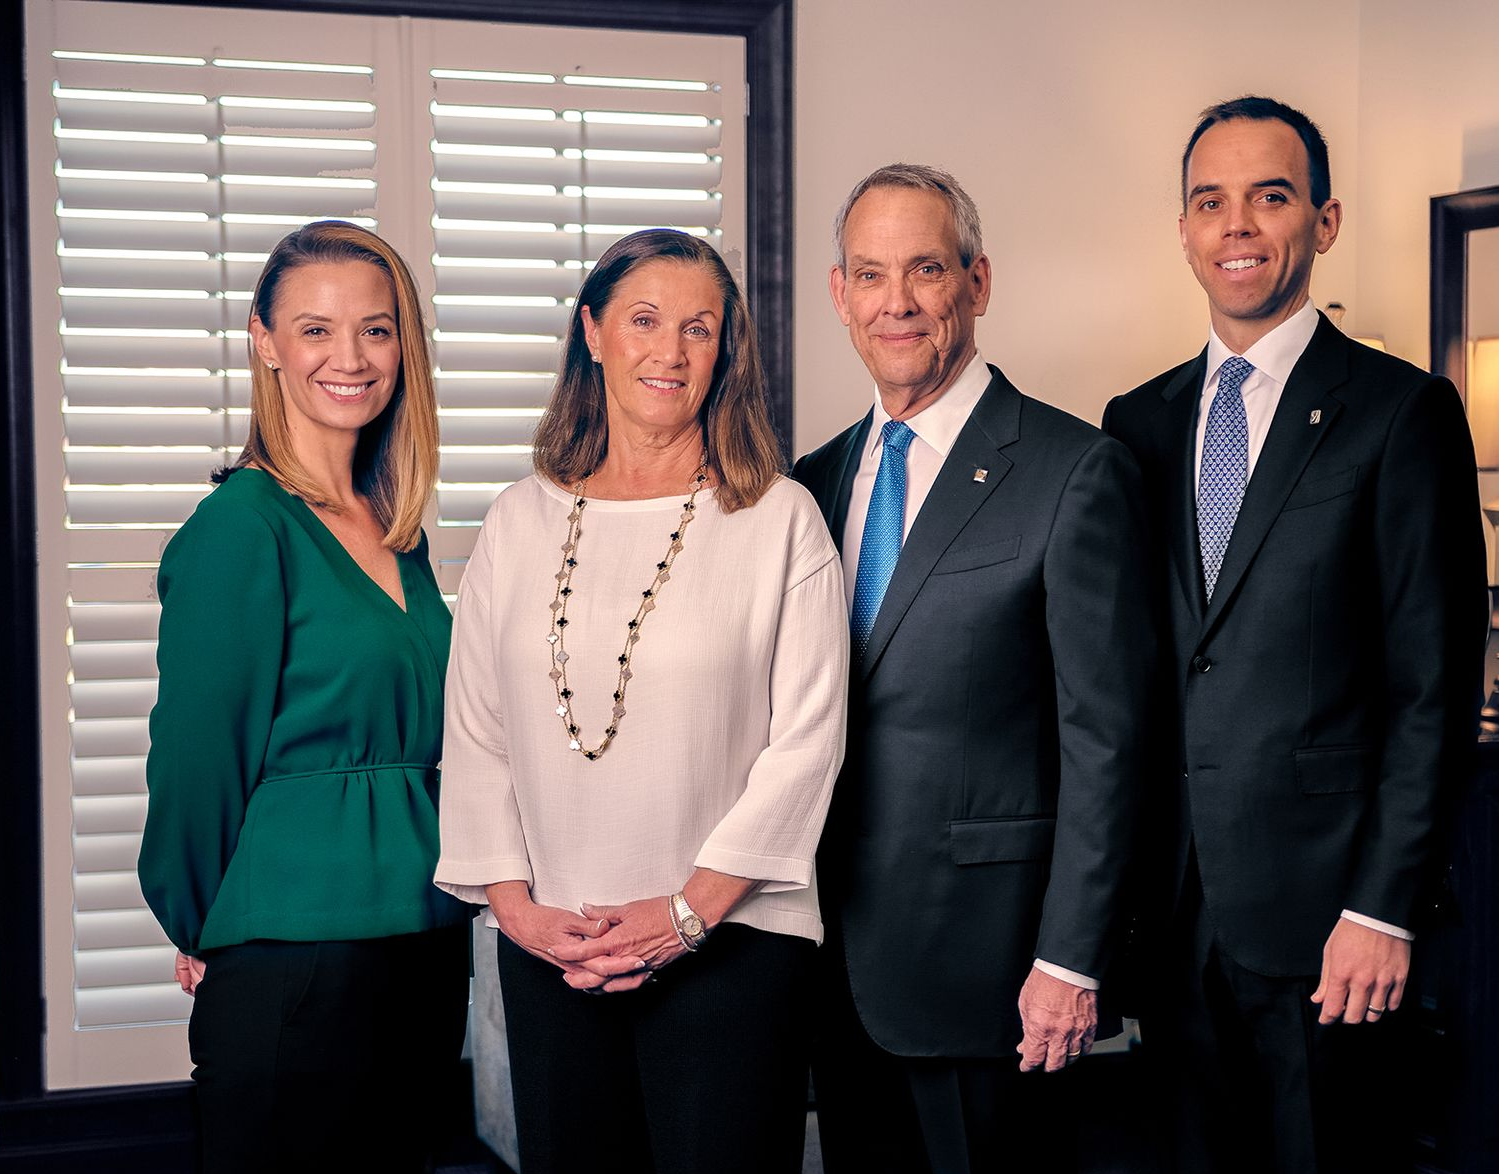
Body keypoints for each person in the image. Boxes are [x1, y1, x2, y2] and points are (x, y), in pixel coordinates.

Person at [1101, 96, 1486, 1173]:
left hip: (1329, 919)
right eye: (1208, 202)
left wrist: (1383, 904)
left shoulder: (1399, 414)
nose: (1235, 225)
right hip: (1172, 915)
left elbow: (1432, 685)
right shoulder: (1134, 422)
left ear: (1321, 221)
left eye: (1267, 197)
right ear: (1181, 230)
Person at [434, 228, 847, 1174]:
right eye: (644, 321)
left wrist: (686, 914)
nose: (669, 352)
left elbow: (808, 743)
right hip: (551, 948)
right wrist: (518, 911)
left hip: (732, 944)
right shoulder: (517, 520)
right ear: (592, 331)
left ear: (725, 350)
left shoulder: (778, 520)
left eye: (698, 328)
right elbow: (478, 734)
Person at [792, 164, 1156, 1173]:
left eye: (924, 270)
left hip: (993, 970)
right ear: (839, 295)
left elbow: (1108, 739)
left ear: (977, 282)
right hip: (833, 965)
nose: (896, 302)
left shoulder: (1071, 471)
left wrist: (1070, 956)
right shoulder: (807, 484)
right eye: (869, 275)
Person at [137, 220, 474, 1173]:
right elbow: (197, 759)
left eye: (375, 329)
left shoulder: (393, 530)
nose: (350, 357)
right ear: (264, 340)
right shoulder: (241, 528)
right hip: (292, 953)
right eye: (315, 329)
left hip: (422, 937)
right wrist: (200, 923)